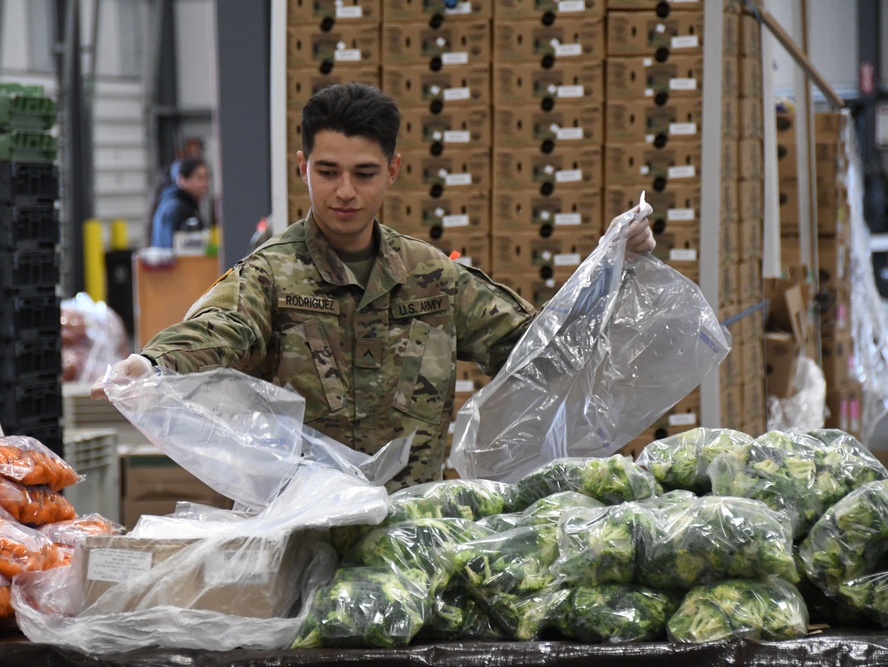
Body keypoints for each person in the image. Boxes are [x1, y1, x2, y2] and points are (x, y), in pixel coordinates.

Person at [95, 83, 654, 491]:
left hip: (412, 540)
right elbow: (220, 326)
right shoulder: (271, 275)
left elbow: (543, 350)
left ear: (392, 170)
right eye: (327, 171)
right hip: (300, 534)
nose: (344, 192)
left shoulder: (432, 277)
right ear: (302, 167)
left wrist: (611, 274)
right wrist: (152, 366)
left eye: (363, 174)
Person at [148, 156, 210, 249]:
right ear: (183, 180)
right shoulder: (176, 209)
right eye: (199, 178)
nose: (205, 184)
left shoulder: (178, 203)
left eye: (206, 178)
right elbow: (175, 249)